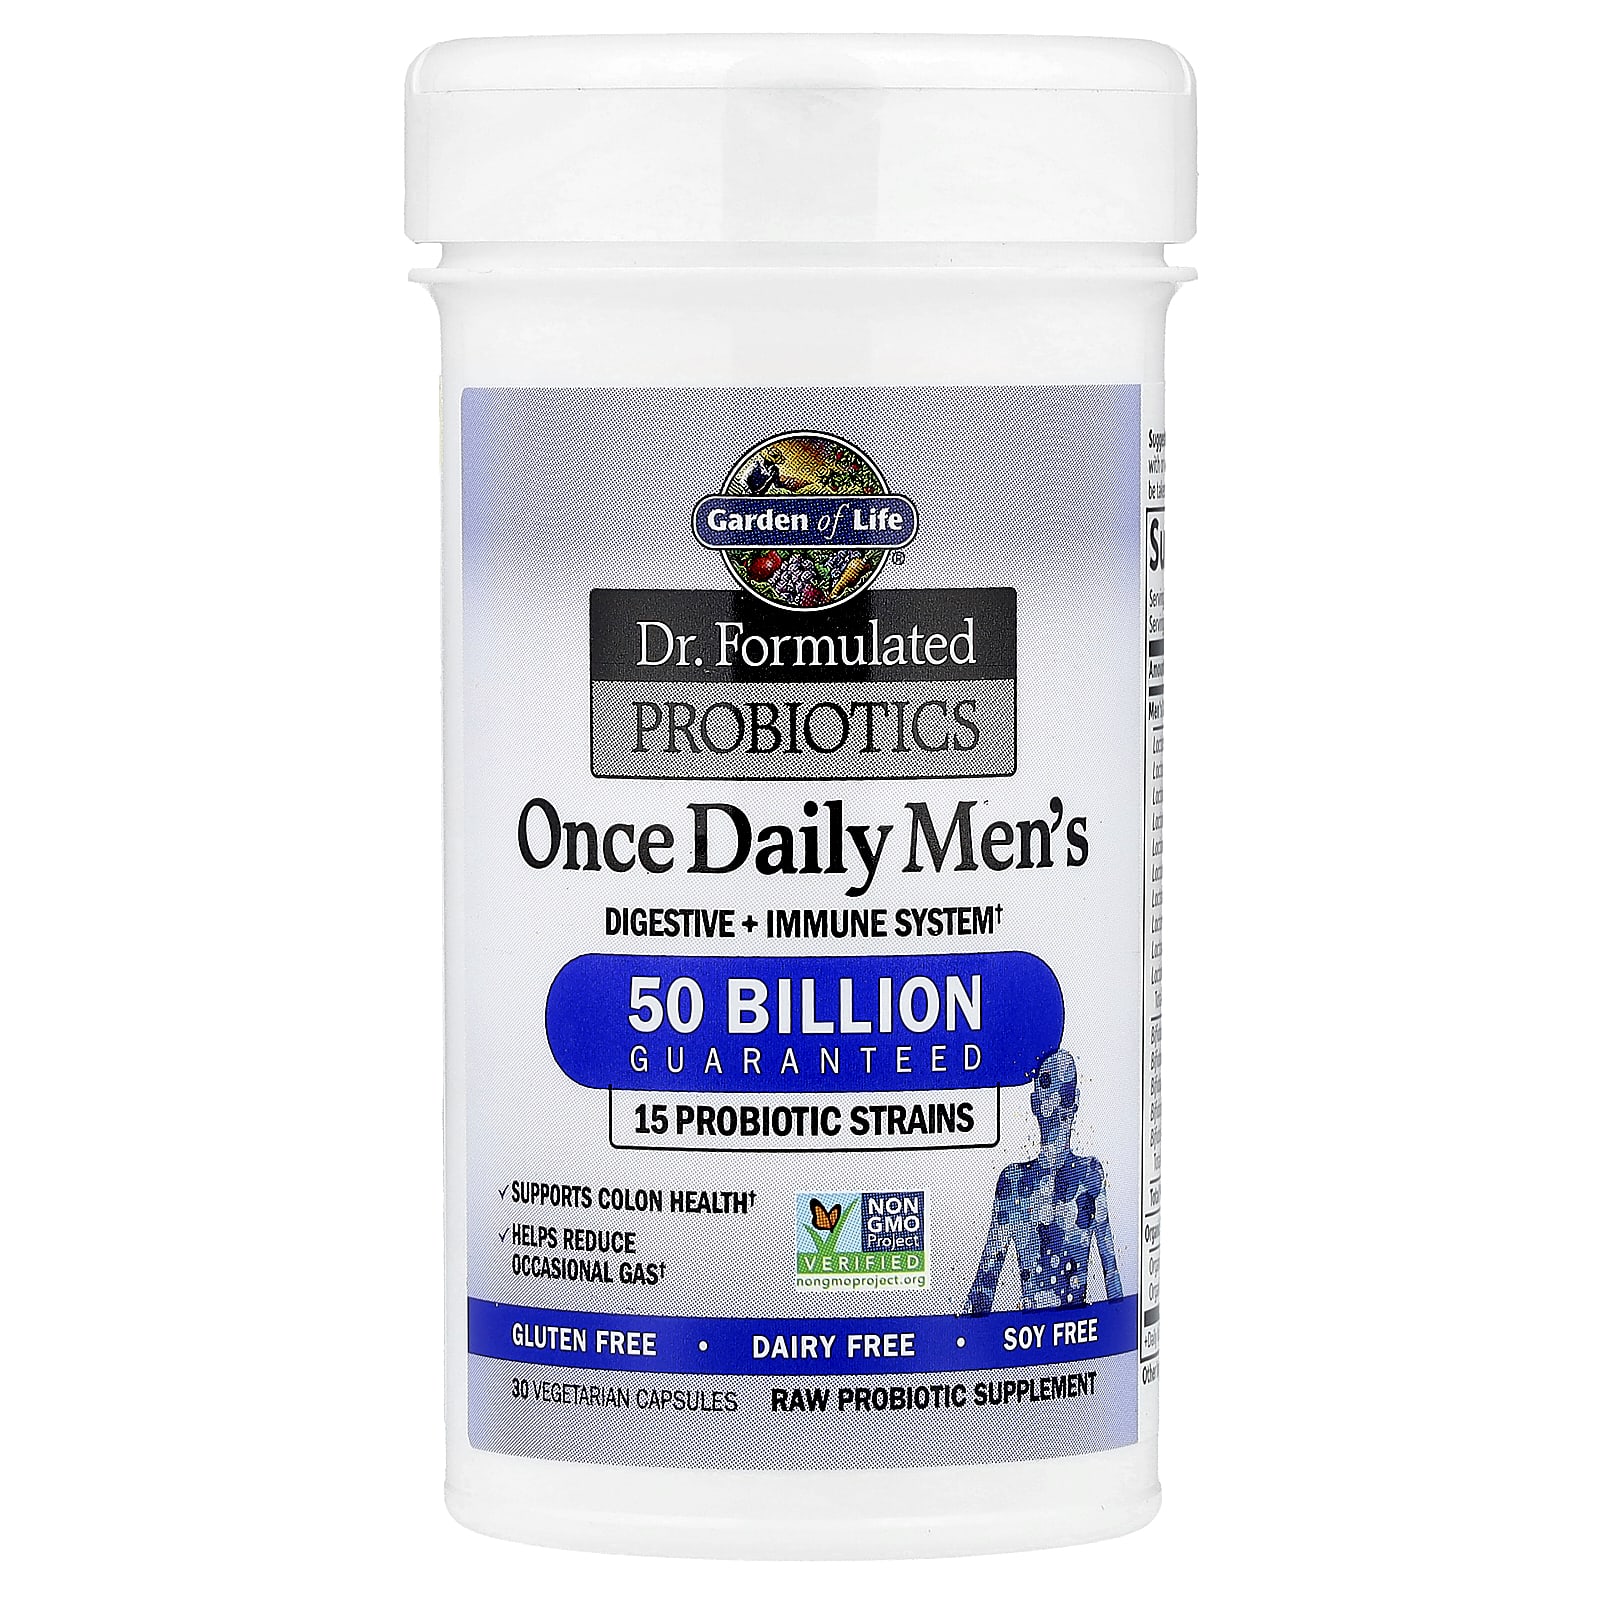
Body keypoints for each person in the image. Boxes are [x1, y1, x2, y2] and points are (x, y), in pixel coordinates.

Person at [963, 1049, 1124, 1315]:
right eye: (1049, 1086)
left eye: (1066, 1091)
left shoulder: (1090, 1174)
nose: (1058, 1100)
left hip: (1076, 1329)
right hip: (1029, 1327)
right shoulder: (1012, 1182)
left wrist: (1119, 1322)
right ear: (1034, 1102)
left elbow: (1112, 1273)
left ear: (1075, 1100)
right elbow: (985, 1283)